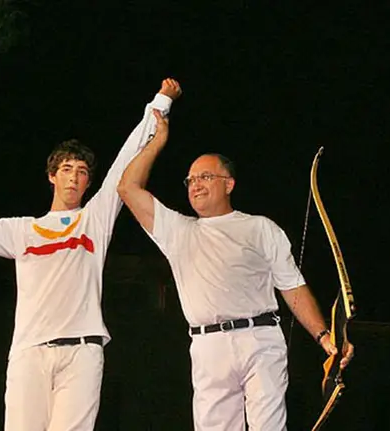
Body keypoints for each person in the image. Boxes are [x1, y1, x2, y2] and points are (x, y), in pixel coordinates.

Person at [0, 78, 182, 431]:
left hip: (82, 353)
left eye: (82, 173)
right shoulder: (23, 230)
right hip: (29, 353)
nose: (74, 178)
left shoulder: (94, 220)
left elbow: (125, 160)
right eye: (67, 170)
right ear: (52, 176)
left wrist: (160, 103)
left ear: (88, 183)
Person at [116, 114, 355, 430]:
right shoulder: (178, 230)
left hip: (260, 339)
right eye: (191, 180)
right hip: (208, 345)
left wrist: (325, 337)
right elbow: (128, 188)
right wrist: (158, 141)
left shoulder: (260, 227)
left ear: (228, 184)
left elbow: (292, 287)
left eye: (205, 177)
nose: (196, 184)